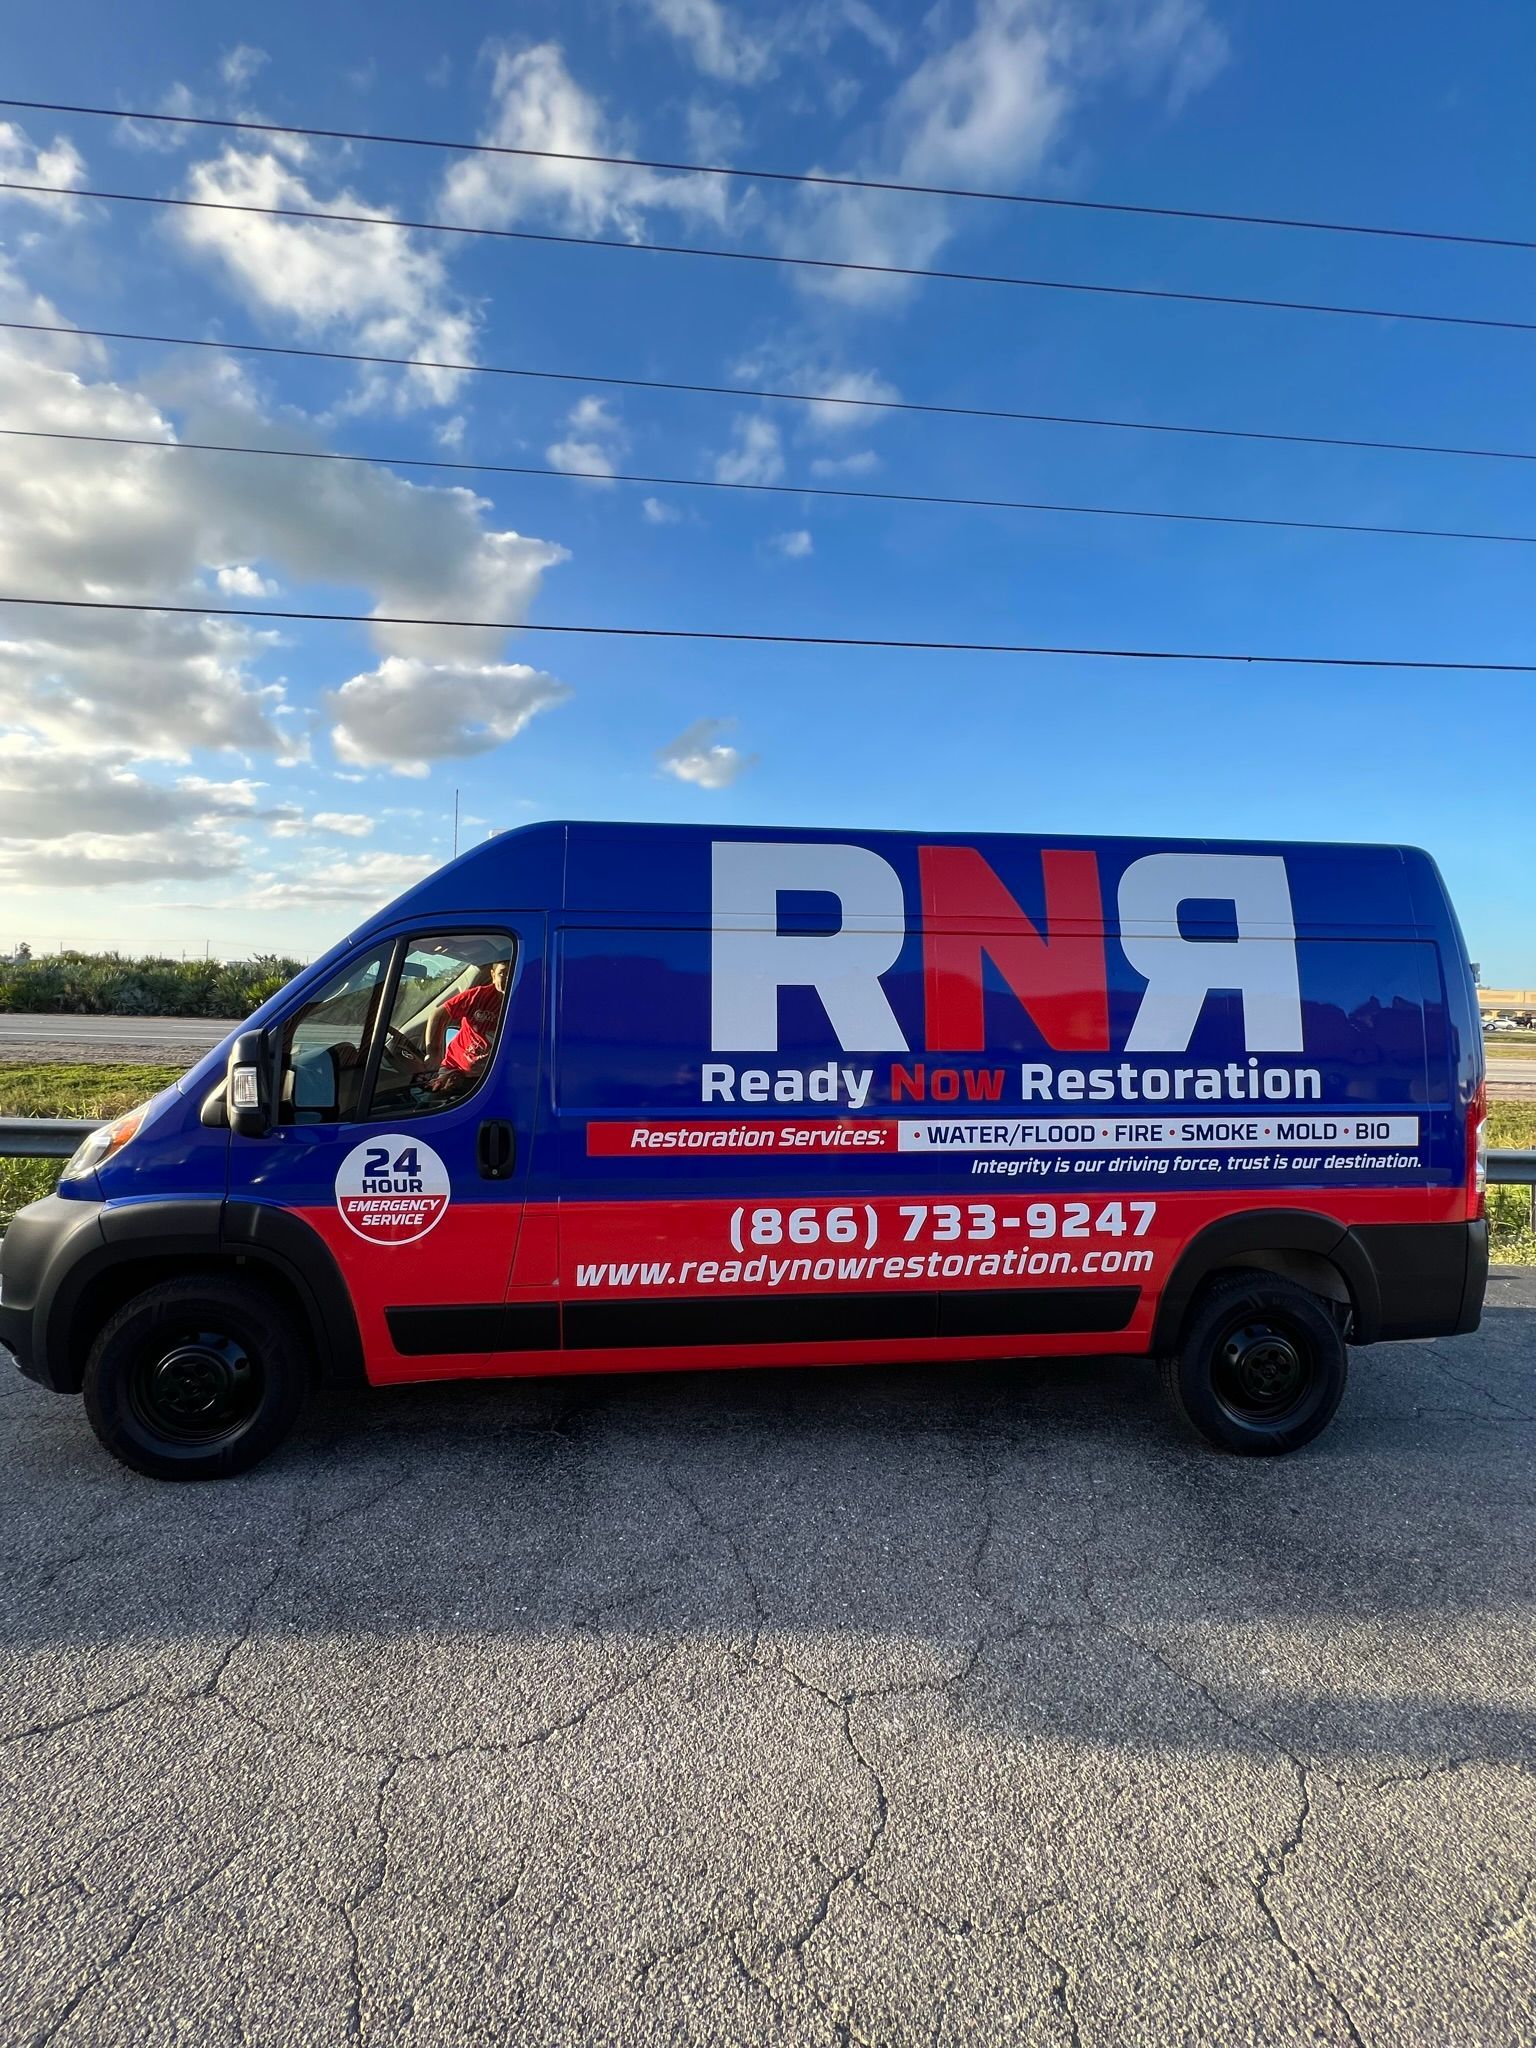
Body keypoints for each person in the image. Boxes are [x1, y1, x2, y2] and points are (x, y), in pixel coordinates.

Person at [422, 957, 509, 1094]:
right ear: (493, 975)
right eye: (503, 973)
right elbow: (438, 1015)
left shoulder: (525, 1007)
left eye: (513, 974)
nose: (509, 978)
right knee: (429, 1106)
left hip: (490, 1078)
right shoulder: (478, 995)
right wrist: (433, 1052)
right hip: (454, 1069)